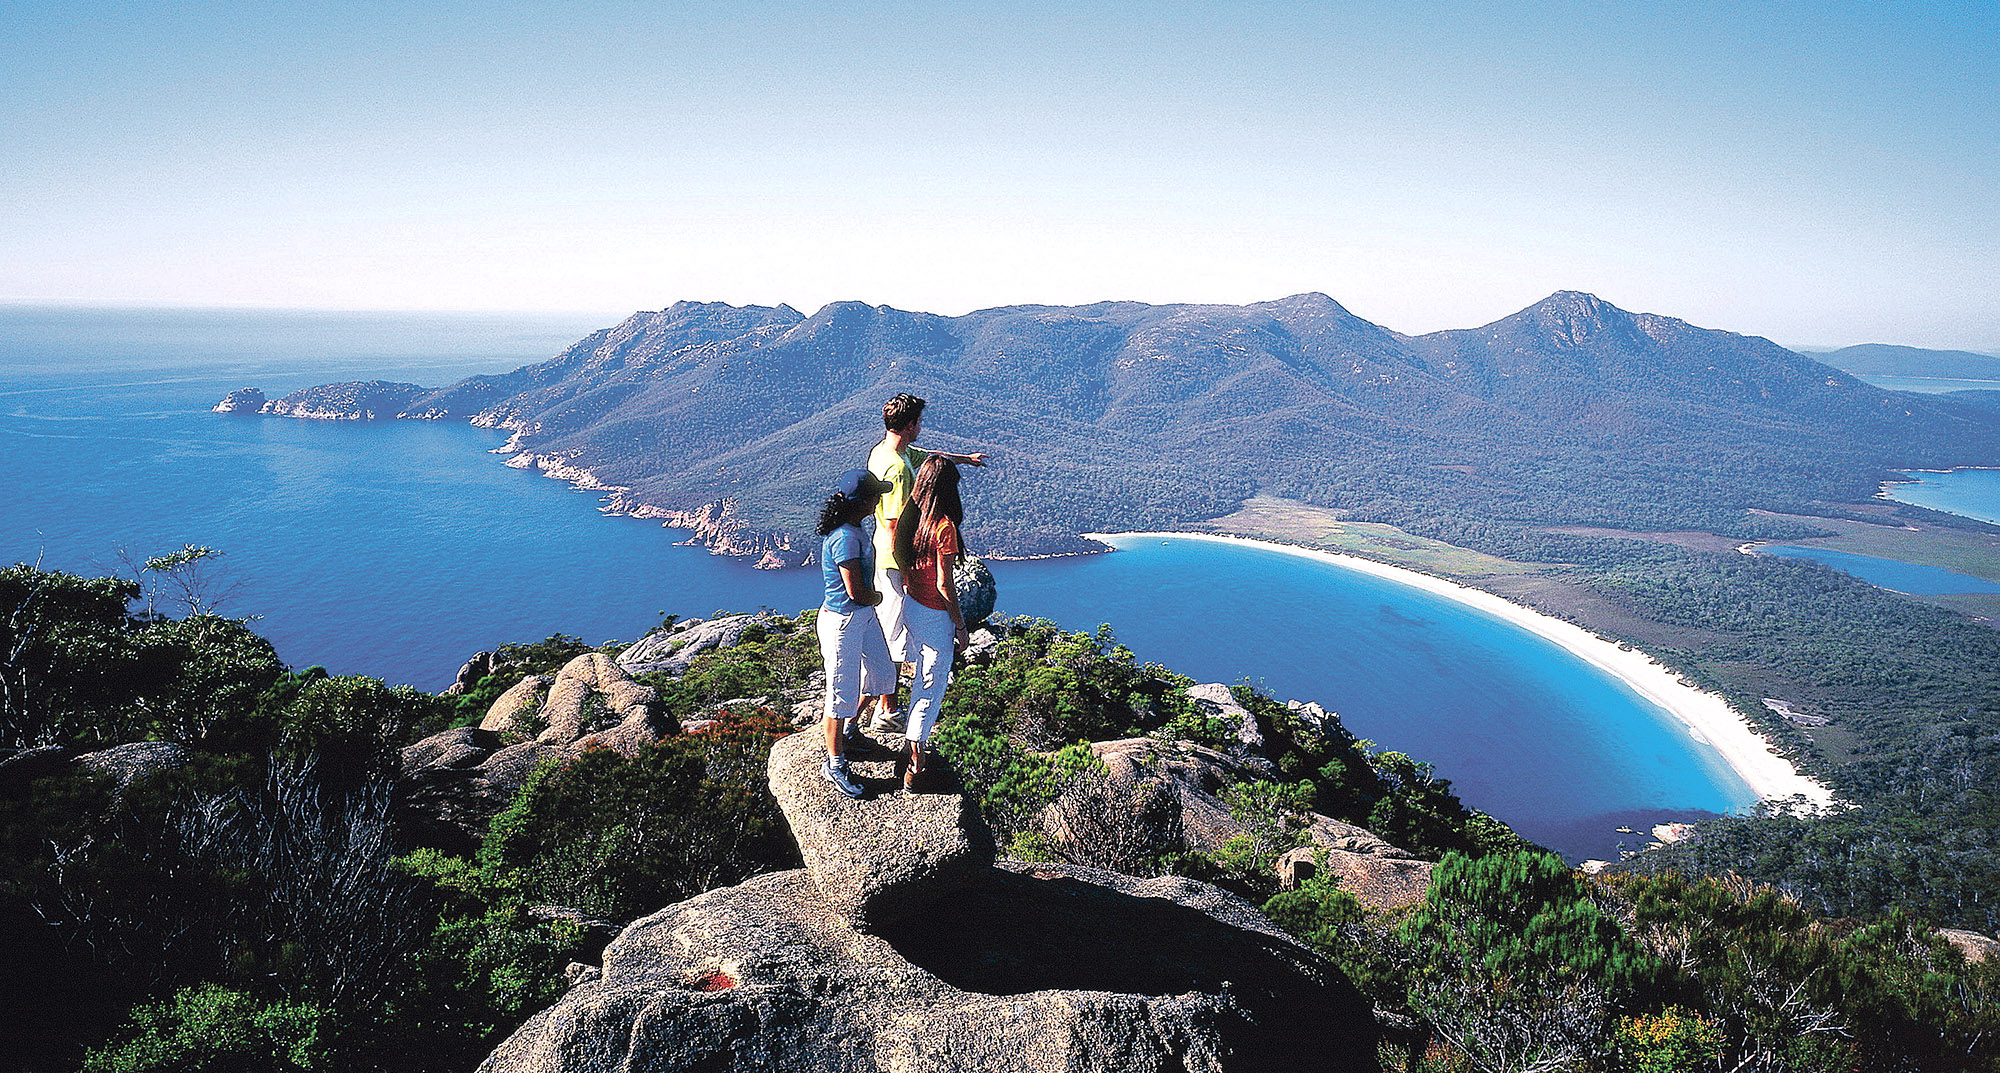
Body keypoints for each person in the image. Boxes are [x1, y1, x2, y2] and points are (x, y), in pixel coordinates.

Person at [866, 393, 985, 733]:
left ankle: (885, 705)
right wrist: (908, 572)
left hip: (888, 555)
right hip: (894, 561)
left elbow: (931, 458)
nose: (921, 427)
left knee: (899, 632)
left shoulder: (885, 451)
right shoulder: (900, 470)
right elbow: (894, 524)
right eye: (919, 422)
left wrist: (966, 459)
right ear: (910, 424)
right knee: (894, 635)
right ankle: (886, 710)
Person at [815, 468, 894, 799]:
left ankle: (849, 731)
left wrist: (871, 602)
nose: (880, 499)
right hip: (844, 622)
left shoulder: (854, 529)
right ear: (862, 502)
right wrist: (879, 597)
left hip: (862, 617)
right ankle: (835, 764)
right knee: (839, 695)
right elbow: (855, 591)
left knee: (883, 674)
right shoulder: (846, 538)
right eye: (876, 494)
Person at [892, 455, 969, 792]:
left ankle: (911, 745)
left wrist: (910, 582)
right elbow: (944, 584)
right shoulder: (944, 527)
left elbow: (898, 550)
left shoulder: (915, 520)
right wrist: (960, 624)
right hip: (935, 613)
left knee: (922, 676)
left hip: (912, 603)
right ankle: (915, 764)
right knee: (931, 686)